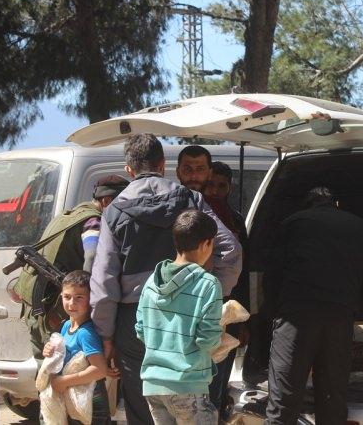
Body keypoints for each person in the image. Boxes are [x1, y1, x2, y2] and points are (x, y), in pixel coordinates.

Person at [91, 134, 242, 425]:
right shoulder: (191, 199)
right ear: (163, 165)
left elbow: (104, 281)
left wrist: (105, 336)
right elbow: (230, 251)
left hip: (136, 321)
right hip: (190, 318)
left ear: (129, 169)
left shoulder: (114, 211)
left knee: (143, 410)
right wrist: (208, 295)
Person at [264, 187, 363, 425]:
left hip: (295, 317)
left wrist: (270, 313)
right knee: (332, 397)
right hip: (341, 317)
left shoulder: (293, 223)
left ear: (307, 205)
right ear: (336, 204)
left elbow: (272, 274)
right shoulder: (362, 227)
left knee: (284, 399)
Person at [20, 175, 129, 360]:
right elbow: (92, 256)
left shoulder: (67, 216)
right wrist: (88, 297)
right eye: (120, 205)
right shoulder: (92, 222)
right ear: (106, 201)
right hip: (56, 311)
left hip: (37, 309)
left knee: (46, 368)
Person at [135, 209, 223, 425]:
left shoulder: (151, 282)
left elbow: (141, 330)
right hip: (188, 384)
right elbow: (207, 340)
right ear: (205, 244)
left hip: (153, 385)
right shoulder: (208, 284)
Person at [203, 161, 250, 413]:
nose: (215, 191)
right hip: (205, 307)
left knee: (223, 372)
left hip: (231, 307)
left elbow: (246, 269)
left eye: (221, 186)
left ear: (229, 188)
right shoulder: (198, 217)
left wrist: (246, 320)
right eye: (210, 184)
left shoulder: (236, 219)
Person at [43, 270, 119, 424]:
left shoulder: (85, 333)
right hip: (77, 399)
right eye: (67, 297)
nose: (72, 303)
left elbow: (99, 370)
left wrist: (63, 381)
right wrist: (49, 350)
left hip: (91, 402)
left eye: (79, 297)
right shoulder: (66, 326)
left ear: (91, 299)